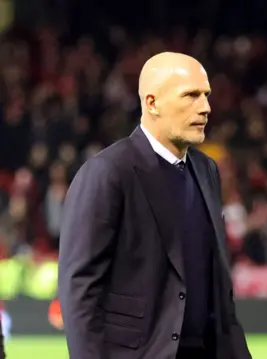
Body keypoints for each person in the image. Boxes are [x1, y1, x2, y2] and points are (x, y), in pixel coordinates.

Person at [58, 52, 251, 359]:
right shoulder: (108, 172)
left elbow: (217, 286)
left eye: (206, 95)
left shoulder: (207, 171)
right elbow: (80, 288)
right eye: (191, 96)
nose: (205, 107)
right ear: (152, 103)